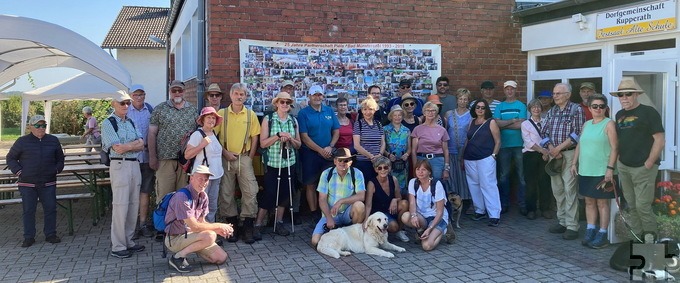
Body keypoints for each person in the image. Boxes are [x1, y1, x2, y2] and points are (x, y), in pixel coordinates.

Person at [612, 77, 664, 237]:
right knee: (631, 205)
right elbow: (621, 139)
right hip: (625, 165)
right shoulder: (619, 114)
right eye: (621, 95)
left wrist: (648, 163)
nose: (624, 98)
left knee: (643, 205)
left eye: (628, 94)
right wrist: (619, 160)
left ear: (636, 95)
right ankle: (637, 238)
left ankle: (650, 241)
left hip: (643, 167)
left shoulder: (649, 112)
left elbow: (660, 140)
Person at [6, 115, 65, 248]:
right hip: (27, 183)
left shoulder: (53, 140)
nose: (41, 128)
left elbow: (60, 159)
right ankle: (29, 237)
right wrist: (20, 172)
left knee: (50, 209)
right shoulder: (22, 141)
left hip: (48, 182)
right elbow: (10, 158)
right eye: (37, 125)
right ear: (30, 127)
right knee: (28, 210)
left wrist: (56, 170)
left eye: (43, 125)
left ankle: (50, 234)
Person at [215, 83, 261, 244]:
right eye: (236, 94)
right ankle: (232, 226)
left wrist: (250, 155)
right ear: (231, 94)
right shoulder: (222, 114)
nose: (239, 97)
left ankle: (248, 225)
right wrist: (225, 153)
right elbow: (213, 136)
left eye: (242, 94)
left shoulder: (250, 115)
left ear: (246, 96)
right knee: (226, 193)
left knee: (250, 192)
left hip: (244, 158)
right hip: (226, 158)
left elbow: (255, 137)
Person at [570, 94, 618, 249]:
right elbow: (579, 144)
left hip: (602, 171)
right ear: (589, 108)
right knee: (589, 201)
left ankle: (602, 233)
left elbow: (615, 148)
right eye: (595, 106)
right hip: (585, 170)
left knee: (602, 203)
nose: (598, 109)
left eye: (601, 106)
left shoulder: (609, 124)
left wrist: (610, 169)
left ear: (606, 108)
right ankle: (591, 230)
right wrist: (574, 162)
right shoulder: (586, 124)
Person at [164, 165, 233, 273]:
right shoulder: (181, 197)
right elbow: (195, 227)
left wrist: (218, 230)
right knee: (210, 235)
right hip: (174, 239)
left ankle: (192, 248)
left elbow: (201, 223)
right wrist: (219, 226)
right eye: (200, 179)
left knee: (221, 257)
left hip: (191, 235)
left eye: (206, 180)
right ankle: (178, 257)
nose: (204, 182)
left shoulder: (203, 196)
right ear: (191, 178)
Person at [101, 91, 145, 258]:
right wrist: (133, 145)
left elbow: (142, 144)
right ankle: (118, 246)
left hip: (134, 164)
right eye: (122, 103)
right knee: (120, 205)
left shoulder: (131, 121)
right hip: (119, 165)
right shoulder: (108, 123)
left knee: (133, 204)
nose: (126, 106)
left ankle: (128, 240)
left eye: (128, 102)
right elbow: (117, 148)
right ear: (113, 104)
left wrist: (129, 145)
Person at [540, 83, 585, 240]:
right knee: (557, 190)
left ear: (568, 94)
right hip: (554, 154)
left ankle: (572, 226)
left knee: (570, 189)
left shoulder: (576, 109)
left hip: (569, 154)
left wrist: (558, 148)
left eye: (559, 93)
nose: (555, 96)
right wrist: (552, 149)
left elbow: (578, 133)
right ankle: (563, 221)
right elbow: (543, 131)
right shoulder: (551, 111)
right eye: (554, 93)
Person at [255, 92, 301, 238]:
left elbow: (299, 144)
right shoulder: (269, 119)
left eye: (288, 102)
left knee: (285, 194)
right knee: (269, 193)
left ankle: (279, 222)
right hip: (273, 163)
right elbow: (263, 143)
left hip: (289, 162)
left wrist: (290, 139)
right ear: (276, 104)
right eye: (282, 102)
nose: (285, 105)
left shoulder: (293, 120)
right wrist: (278, 136)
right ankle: (258, 223)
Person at [148, 80, 199, 200]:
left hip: (186, 161)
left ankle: (180, 220)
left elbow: (198, 134)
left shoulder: (193, 110)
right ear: (169, 92)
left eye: (179, 90)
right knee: (164, 197)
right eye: (173, 90)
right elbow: (151, 133)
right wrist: (152, 157)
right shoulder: (159, 109)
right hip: (165, 160)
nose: (177, 93)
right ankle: (164, 219)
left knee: (184, 197)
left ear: (184, 92)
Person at [298, 85, 340, 217]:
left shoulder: (329, 111)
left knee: (328, 183)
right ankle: (314, 213)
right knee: (311, 183)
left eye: (320, 95)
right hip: (310, 153)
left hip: (328, 152)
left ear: (323, 96)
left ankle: (327, 211)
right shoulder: (303, 113)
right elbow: (304, 137)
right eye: (314, 95)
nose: (317, 97)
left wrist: (331, 146)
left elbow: (336, 131)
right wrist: (320, 150)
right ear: (309, 96)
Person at [311, 147, 366, 247]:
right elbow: (322, 199)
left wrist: (341, 201)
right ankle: (338, 233)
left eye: (346, 160)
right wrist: (328, 218)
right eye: (340, 160)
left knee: (360, 206)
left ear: (350, 162)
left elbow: (361, 196)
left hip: (347, 213)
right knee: (315, 241)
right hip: (331, 213)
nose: (342, 163)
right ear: (335, 161)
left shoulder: (357, 173)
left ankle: (354, 235)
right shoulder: (327, 174)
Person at [463, 99, 501, 226]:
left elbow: (498, 141)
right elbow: (467, 140)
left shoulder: (491, 122)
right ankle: (480, 211)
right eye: (478, 107)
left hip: (485, 158)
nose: (480, 109)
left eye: (483, 108)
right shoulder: (472, 122)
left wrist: (493, 156)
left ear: (486, 110)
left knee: (488, 185)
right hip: (470, 158)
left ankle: (494, 215)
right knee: (474, 185)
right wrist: (462, 156)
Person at [184, 107, 224, 225]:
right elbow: (187, 155)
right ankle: (199, 232)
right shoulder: (197, 134)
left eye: (213, 118)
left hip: (216, 175)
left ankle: (210, 232)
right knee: (200, 207)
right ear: (202, 119)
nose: (211, 120)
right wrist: (202, 145)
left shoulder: (214, 133)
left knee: (212, 206)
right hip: (202, 178)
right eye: (208, 117)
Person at [126, 84, 156, 239]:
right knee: (131, 193)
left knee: (145, 192)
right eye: (136, 95)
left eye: (141, 94)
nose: (139, 97)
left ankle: (143, 224)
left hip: (146, 157)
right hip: (131, 158)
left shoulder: (150, 110)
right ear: (131, 96)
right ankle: (131, 226)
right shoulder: (125, 111)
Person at [494, 80, 527, 214]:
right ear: (504, 90)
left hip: (519, 145)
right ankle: (504, 203)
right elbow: (496, 124)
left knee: (521, 176)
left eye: (511, 89)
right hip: (504, 145)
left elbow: (522, 125)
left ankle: (522, 204)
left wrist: (504, 124)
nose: (509, 91)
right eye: (507, 89)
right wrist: (513, 120)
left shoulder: (521, 105)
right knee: (503, 176)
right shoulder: (500, 107)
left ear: (515, 90)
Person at [401, 159, 449, 251]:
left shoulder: (436, 184)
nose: (420, 172)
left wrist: (430, 228)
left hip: (437, 218)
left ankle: (443, 231)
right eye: (418, 169)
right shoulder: (413, 182)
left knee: (426, 246)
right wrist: (413, 215)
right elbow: (412, 202)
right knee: (405, 216)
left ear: (429, 172)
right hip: (423, 217)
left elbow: (440, 212)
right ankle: (423, 230)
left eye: (423, 170)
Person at [520, 99, 553, 220]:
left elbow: (549, 137)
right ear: (530, 109)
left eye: (538, 106)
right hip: (531, 154)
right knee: (531, 183)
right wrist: (542, 151)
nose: (536, 109)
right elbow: (528, 142)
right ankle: (531, 209)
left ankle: (545, 209)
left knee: (545, 182)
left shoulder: (546, 122)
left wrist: (546, 152)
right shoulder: (525, 124)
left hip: (544, 154)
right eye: (533, 107)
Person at [364, 156, 409, 242]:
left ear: (389, 168)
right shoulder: (372, 183)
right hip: (379, 212)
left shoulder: (393, 179)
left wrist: (394, 200)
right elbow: (368, 204)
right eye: (379, 168)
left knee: (404, 203)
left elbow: (399, 197)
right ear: (376, 169)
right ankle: (386, 231)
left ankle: (400, 231)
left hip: (391, 209)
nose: (383, 170)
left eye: (385, 167)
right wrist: (366, 221)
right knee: (393, 227)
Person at [444, 88, 472, 214]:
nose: (462, 101)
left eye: (465, 99)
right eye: (460, 98)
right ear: (457, 100)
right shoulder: (449, 114)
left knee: (464, 177)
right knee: (452, 177)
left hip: (464, 150)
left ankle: (465, 203)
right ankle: (454, 203)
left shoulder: (471, 115)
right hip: (450, 149)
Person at [411, 102, 449, 181]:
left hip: (437, 161)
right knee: (422, 184)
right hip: (421, 160)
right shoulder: (417, 129)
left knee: (436, 184)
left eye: (433, 110)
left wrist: (446, 169)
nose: (430, 113)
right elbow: (414, 150)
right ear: (424, 113)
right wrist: (415, 167)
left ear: (436, 112)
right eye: (428, 111)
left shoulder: (442, 130)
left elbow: (445, 150)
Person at [353, 96, 386, 183]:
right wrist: (371, 156)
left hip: (378, 164)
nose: (368, 112)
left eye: (370, 109)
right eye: (365, 109)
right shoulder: (358, 124)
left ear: (374, 110)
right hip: (363, 163)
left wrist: (380, 154)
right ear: (362, 111)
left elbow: (383, 142)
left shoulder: (378, 124)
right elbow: (356, 145)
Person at [384, 105, 411, 195]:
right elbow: (382, 147)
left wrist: (407, 154)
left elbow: (410, 148)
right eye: (395, 115)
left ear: (402, 116)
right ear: (391, 117)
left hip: (403, 165)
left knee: (402, 189)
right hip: (389, 164)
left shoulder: (406, 130)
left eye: (399, 115)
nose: (397, 117)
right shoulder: (385, 130)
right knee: (390, 187)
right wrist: (388, 155)